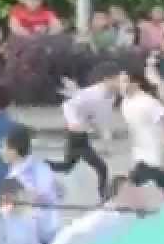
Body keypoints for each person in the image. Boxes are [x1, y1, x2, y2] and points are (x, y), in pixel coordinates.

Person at [48, 63, 119, 199]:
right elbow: (68, 106)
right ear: (107, 79)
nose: (120, 83)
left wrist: (106, 138)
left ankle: (40, 165)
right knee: (101, 168)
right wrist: (74, 123)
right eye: (117, 79)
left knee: (67, 166)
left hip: (82, 135)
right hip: (76, 135)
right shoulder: (93, 93)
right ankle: (104, 196)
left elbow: (102, 117)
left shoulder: (110, 96)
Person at [43, 175, 142, 244]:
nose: (134, 196)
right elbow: (69, 234)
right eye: (129, 192)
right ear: (117, 194)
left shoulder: (129, 218)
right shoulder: (102, 216)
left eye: (134, 192)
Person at [120, 70, 164, 202]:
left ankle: (119, 204)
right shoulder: (125, 102)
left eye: (124, 81)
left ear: (135, 83)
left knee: (132, 182)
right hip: (140, 151)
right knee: (163, 181)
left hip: (154, 152)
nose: (120, 84)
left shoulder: (147, 102)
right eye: (119, 81)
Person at [0, 123, 63, 244]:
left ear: (14, 151)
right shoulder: (42, 167)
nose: (1, 151)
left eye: (3, 147)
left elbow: (8, 213)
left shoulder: (12, 179)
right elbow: (60, 193)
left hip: (33, 240)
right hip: (49, 233)